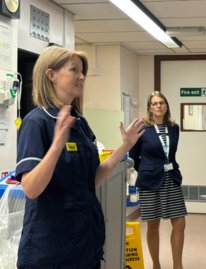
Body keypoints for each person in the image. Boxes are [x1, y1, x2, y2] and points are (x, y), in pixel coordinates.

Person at [16, 46, 145, 269]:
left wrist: (125, 147)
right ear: (51, 75)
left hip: (86, 246)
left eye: (82, 71)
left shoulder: (79, 122)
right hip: (50, 252)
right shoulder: (36, 122)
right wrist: (57, 144)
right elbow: (31, 188)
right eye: (74, 69)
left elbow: (91, 178)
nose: (82, 76)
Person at [129, 92, 187, 269]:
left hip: (171, 178)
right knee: (153, 225)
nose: (158, 106)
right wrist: (147, 171)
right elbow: (133, 157)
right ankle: (156, 264)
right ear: (150, 108)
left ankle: (178, 265)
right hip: (150, 181)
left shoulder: (174, 127)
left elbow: (170, 153)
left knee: (179, 223)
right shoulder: (142, 128)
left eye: (161, 103)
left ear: (166, 106)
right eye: (154, 104)